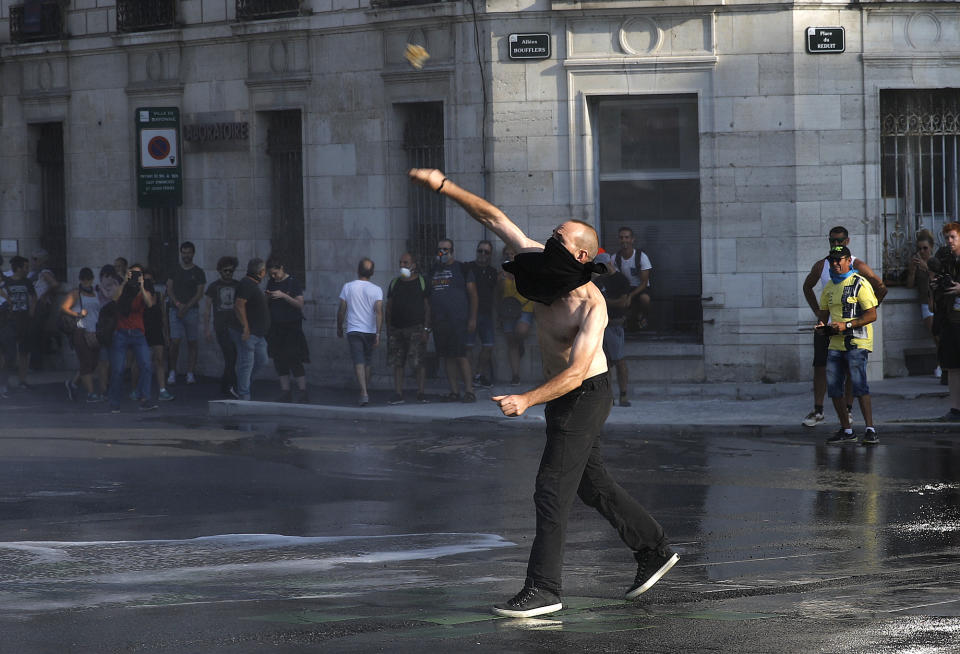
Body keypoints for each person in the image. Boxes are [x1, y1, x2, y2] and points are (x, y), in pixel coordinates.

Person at [410, 168, 679, 618]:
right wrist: (444, 186)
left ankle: (544, 589)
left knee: (551, 489)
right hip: (562, 395)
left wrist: (527, 399)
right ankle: (653, 548)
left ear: (580, 253)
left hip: (586, 392)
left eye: (561, 236)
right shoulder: (537, 259)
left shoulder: (592, 305)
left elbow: (576, 373)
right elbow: (494, 219)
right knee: (593, 487)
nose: (550, 237)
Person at [801, 226, 886, 428]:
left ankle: (853, 415)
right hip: (830, 327)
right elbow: (808, 287)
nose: (836, 245)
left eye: (839, 241)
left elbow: (880, 287)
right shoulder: (823, 266)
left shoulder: (856, 266)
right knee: (822, 367)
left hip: (850, 329)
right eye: (832, 241)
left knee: (851, 372)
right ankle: (820, 410)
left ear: (847, 242)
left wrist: (864, 313)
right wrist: (819, 315)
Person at [816, 246, 879, 444]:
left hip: (857, 342)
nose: (835, 264)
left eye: (839, 260)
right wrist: (822, 327)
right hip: (835, 343)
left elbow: (872, 314)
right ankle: (847, 430)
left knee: (860, 385)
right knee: (834, 388)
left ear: (848, 261)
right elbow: (823, 317)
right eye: (832, 260)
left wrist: (847, 325)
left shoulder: (859, 283)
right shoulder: (828, 287)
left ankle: (870, 429)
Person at [429, 239, 478, 402]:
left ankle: (469, 391)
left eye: (446, 249)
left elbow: (473, 295)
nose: (443, 252)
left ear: (452, 251)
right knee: (447, 356)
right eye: (440, 249)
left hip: (458, 320)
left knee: (460, 355)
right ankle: (454, 391)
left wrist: (472, 319)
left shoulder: (461, 269)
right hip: (439, 321)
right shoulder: (433, 270)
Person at [108, 263, 157, 413]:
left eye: (138, 274)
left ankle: (145, 399)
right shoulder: (124, 289)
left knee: (147, 366)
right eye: (132, 274)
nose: (134, 277)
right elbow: (114, 298)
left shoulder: (144, 289)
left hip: (137, 332)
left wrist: (141, 286)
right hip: (121, 332)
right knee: (118, 369)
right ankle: (114, 402)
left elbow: (150, 304)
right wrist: (124, 282)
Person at [385, 252, 431, 404]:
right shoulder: (395, 283)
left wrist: (426, 329)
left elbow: (427, 307)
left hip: (416, 329)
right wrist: (388, 328)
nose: (402, 266)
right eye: (400, 262)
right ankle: (398, 393)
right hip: (396, 329)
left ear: (413, 265)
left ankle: (421, 392)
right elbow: (389, 306)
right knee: (398, 363)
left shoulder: (422, 282)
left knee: (419, 362)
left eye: (405, 263)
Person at [337, 258, 383, 406]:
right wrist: (378, 333)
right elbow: (379, 313)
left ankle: (363, 392)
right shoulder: (377, 290)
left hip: (354, 329)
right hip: (369, 331)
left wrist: (339, 326)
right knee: (367, 361)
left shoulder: (348, 287)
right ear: (372, 273)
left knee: (358, 361)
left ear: (358, 270)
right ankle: (365, 390)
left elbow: (342, 310)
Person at [266, 258, 310, 403]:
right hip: (276, 326)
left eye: (276, 273)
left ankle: (303, 391)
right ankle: (285, 391)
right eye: (271, 274)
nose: (274, 277)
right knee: (279, 360)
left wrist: (284, 295)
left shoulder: (293, 282)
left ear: (282, 268)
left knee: (294, 358)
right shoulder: (271, 282)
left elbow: (299, 304)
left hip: (292, 327)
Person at [594, 251, 633, 407]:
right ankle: (608, 396)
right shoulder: (598, 281)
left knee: (619, 360)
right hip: (600, 325)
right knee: (605, 362)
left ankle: (623, 395)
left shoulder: (621, 280)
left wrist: (603, 301)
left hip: (614, 324)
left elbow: (622, 303)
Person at [929, 222, 960, 421]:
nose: (949, 241)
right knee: (952, 365)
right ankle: (956, 409)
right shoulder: (944, 258)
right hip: (950, 317)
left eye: (953, 237)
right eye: (947, 237)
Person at [61, 267, 104, 402]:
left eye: (88, 279)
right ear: (80, 280)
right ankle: (91, 393)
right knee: (85, 362)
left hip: (94, 330)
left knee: (93, 363)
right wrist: (77, 314)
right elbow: (64, 308)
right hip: (80, 330)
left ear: (91, 279)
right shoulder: (76, 293)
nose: (86, 282)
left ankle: (73, 384)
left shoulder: (96, 293)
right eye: (84, 280)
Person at [165, 241, 206, 386]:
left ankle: (190, 373)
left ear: (193, 253)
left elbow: (199, 293)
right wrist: (177, 304)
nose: (186, 255)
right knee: (174, 341)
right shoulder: (174, 269)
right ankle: (172, 371)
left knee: (192, 342)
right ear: (181, 253)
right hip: (175, 310)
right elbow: (169, 288)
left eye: (189, 252)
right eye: (184, 252)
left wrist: (186, 307)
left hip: (191, 311)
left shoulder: (198, 272)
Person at [232, 258, 270, 401]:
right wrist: (245, 327)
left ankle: (241, 386)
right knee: (246, 363)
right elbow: (239, 305)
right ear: (261, 272)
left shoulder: (252, 285)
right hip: (249, 333)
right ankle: (243, 394)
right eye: (264, 270)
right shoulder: (247, 283)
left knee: (262, 360)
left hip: (258, 334)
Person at [497, 245, 534, 386]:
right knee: (510, 341)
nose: (510, 256)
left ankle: (521, 343)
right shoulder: (501, 273)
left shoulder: (525, 270)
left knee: (521, 331)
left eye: (512, 253)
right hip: (508, 310)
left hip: (525, 307)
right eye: (507, 253)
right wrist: (501, 280)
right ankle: (515, 375)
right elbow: (499, 293)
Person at [204, 256, 240, 397]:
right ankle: (231, 385)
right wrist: (207, 329)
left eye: (231, 271)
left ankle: (225, 385)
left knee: (234, 356)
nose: (228, 273)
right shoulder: (213, 286)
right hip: (221, 327)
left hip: (236, 326)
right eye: (225, 271)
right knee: (230, 355)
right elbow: (207, 309)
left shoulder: (238, 285)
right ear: (220, 271)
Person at [136, 269, 174, 402]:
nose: (148, 283)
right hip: (142, 331)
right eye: (144, 280)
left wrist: (166, 334)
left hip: (156, 330)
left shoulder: (159, 295)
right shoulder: (138, 296)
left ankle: (162, 390)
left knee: (159, 359)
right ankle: (138, 389)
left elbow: (163, 315)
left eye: (150, 280)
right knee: (143, 362)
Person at [906, 230, 939, 378]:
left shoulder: (936, 262)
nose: (922, 251)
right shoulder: (916, 263)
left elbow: (938, 280)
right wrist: (912, 271)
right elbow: (910, 285)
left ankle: (942, 363)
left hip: (939, 302)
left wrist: (927, 268)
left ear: (931, 247)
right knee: (936, 334)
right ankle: (941, 364)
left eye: (925, 248)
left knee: (943, 336)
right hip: (925, 302)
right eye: (919, 248)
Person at [465, 240, 498, 387]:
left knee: (488, 345)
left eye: (486, 252)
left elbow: (497, 293)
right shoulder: (468, 268)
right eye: (480, 251)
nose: (483, 254)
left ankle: (478, 374)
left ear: (490, 255)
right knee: (468, 346)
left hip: (486, 314)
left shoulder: (493, 272)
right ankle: (469, 376)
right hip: (469, 313)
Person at [3, 256, 36, 389]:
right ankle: (5, 380)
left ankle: (22, 379)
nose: (27, 270)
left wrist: (31, 313)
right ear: (18, 268)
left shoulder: (27, 282)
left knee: (24, 351)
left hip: (24, 319)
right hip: (10, 320)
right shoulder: (7, 282)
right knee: (8, 352)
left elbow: (34, 297)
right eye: (25, 267)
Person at [613, 227, 652, 331]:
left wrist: (630, 295)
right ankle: (623, 319)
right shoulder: (615, 258)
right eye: (621, 238)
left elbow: (644, 283)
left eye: (627, 237)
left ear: (632, 239)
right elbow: (616, 280)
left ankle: (643, 317)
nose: (624, 240)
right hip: (625, 287)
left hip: (640, 288)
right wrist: (624, 295)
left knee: (645, 299)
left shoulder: (641, 257)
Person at [27, 248, 60, 370]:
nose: (33, 261)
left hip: (40, 305)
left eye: (35, 259)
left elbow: (55, 284)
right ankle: (35, 363)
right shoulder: (35, 272)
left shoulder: (44, 272)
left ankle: (35, 364)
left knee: (35, 333)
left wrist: (45, 295)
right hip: (34, 305)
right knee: (34, 333)